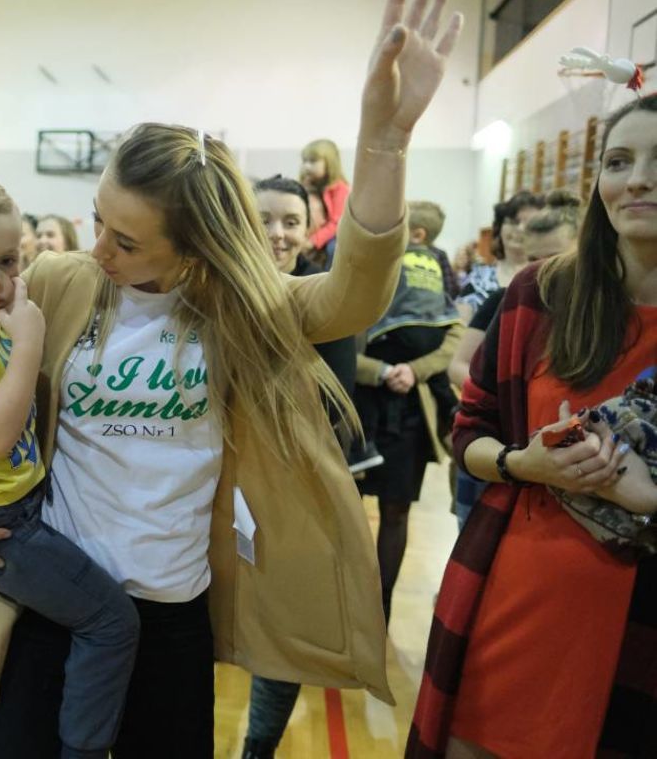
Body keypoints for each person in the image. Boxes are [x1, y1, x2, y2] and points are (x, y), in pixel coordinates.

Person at [0, 0, 462, 757]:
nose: (97, 247)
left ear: (195, 246)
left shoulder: (242, 310)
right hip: (43, 604)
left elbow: (354, 296)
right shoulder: (61, 285)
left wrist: (384, 140)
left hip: (168, 619)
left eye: (125, 240)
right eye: (97, 220)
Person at [409, 93, 657, 759]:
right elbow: (470, 432)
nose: (638, 178)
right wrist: (526, 464)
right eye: (620, 160)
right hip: (516, 593)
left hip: (635, 622)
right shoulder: (541, 293)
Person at [0, 172, 141, 759]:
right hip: (3, 519)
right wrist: (29, 345)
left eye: (7, 260)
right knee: (112, 623)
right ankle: (81, 750)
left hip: (15, 508)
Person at [245, 175, 360, 758]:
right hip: (213, 495)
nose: (277, 232)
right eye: (265, 218)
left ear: (311, 227)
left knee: (283, 636)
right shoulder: (205, 298)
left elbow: (335, 414)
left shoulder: (323, 300)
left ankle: (257, 748)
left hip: (289, 499)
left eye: (291, 220)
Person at [352, 199, 461, 622]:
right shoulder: (366, 272)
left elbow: (455, 335)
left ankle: (380, 610)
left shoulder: (437, 274)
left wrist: (413, 371)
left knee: (397, 510)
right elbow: (336, 345)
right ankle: (342, 602)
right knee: (348, 508)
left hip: (412, 413)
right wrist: (379, 371)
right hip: (360, 408)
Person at [446, 194, 582, 529]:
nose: (541, 268)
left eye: (555, 257)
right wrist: (508, 404)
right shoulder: (507, 301)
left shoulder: (600, 313)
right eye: (533, 258)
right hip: (502, 454)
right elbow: (460, 365)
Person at [455, 190, 544, 322]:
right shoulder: (479, 278)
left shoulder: (545, 277)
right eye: (514, 221)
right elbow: (459, 326)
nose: (520, 228)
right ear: (500, 227)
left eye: (530, 223)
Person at [300, 138, 351, 262]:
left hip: (336, 235)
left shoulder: (340, 189)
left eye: (312, 161)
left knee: (333, 248)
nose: (306, 166)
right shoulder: (307, 185)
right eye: (304, 161)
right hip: (319, 233)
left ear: (329, 163)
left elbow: (336, 223)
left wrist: (313, 241)